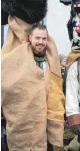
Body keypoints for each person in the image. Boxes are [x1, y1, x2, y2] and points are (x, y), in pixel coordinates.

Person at [1, 23, 65, 151]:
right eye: (37, 38)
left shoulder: (51, 61)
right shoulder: (17, 60)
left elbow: (56, 90)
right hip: (22, 122)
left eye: (44, 38)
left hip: (45, 124)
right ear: (30, 38)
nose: (41, 42)